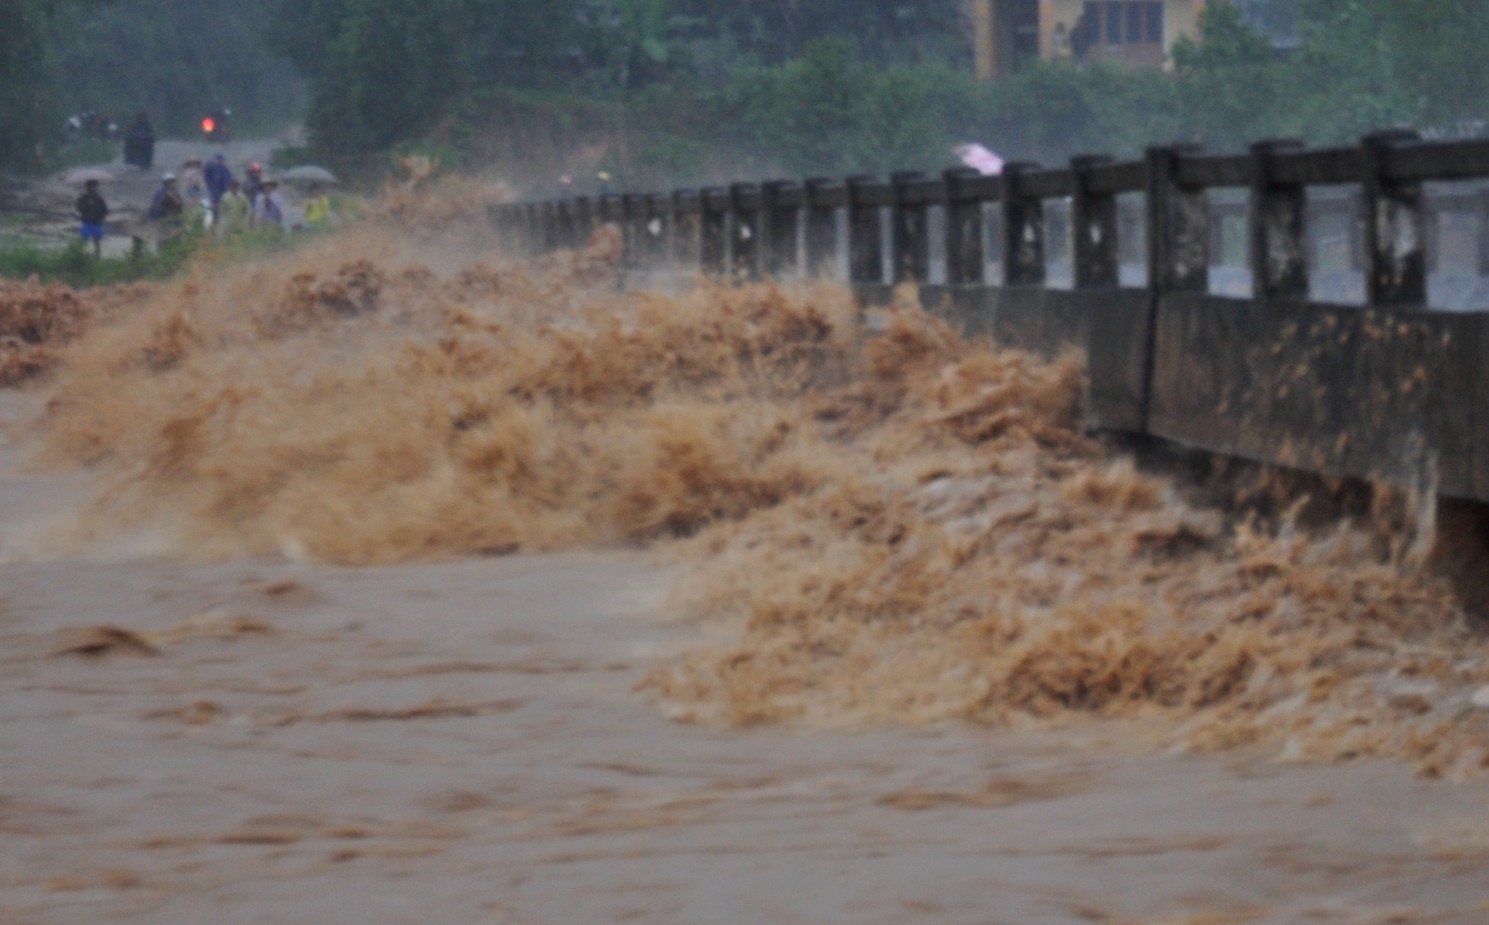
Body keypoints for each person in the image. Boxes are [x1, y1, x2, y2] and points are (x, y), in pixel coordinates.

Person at [75, 179, 109, 258]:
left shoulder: (99, 199)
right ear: (87, 187)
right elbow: (79, 209)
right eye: (90, 186)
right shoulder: (83, 198)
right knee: (83, 240)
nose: (92, 188)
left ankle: (97, 257)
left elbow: (105, 210)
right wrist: (87, 205)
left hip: (97, 222)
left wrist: (101, 216)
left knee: (97, 241)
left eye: (94, 186)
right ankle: (80, 256)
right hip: (87, 222)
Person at [203, 153, 233, 218]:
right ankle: (214, 217)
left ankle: (220, 217)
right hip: (213, 190)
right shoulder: (211, 167)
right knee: (214, 205)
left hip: (223, 190)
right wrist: (210, 184)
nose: (219, 161)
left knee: (222, 205)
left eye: (221, 160)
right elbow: (206, 176)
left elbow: (228, 179)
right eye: (218, 159)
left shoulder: (225, 169)